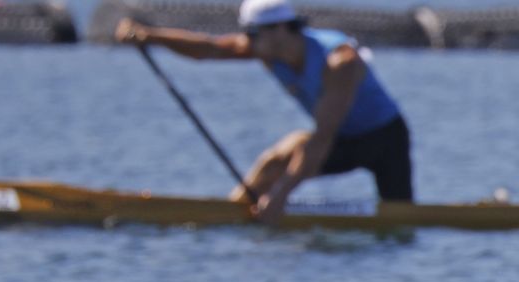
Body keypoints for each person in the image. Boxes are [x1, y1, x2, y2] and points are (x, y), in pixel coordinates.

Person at [115, 0, 412, 225]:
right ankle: (230, 214)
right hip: (342, 137)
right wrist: (149, 36)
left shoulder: (340, 62)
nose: (247, 41)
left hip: (384, 140)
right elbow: (209, 48)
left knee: (403, 219)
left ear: (281, 29)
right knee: (275, 161)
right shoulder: (268, 49)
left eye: (253, 33)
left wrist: (281, 196)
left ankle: (264, 208)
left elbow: (322, 138)